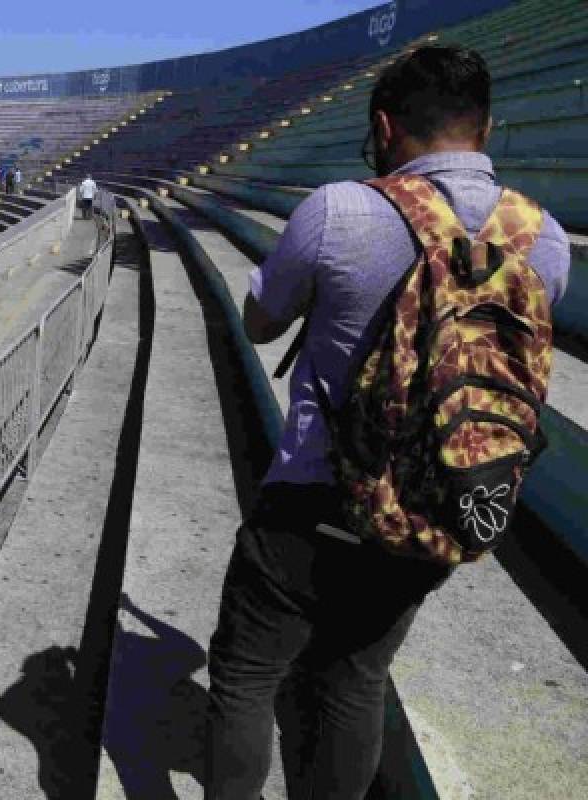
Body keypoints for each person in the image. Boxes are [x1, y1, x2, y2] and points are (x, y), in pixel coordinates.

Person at [204, 45, 569, 800]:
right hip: (441, 506)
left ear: (383, 125)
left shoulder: (341, 209)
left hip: (315, 500)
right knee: (354, 680)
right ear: (487, 126)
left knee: (246, 672)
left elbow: (260, 321)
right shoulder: (547, 241)